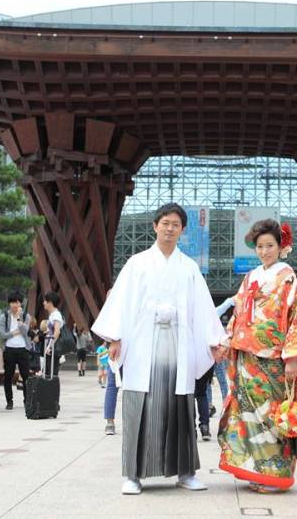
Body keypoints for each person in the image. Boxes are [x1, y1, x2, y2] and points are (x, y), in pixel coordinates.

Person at [92, 203, 225, 495]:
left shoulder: (189, 268)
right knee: (140, 404)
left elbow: (202, 308)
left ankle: (185, 472)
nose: (169, 228)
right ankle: (132, 474)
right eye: (165, 223)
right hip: (143, 342)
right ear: (155, 226)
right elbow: (122, 303)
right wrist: (114, 337)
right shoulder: (137, 264)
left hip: (178, 343)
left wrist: (214, 340)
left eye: (175, 224)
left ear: (182, 230)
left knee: (181, 406)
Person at [218, 218, 297, 493]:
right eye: (260, 246)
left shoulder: (286, 276)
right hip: (247, 356)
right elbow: (239, 313)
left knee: (271, 414)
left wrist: (292, 357)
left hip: (273, 358)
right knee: (250, 413)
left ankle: (276, 473)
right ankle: (260, 469)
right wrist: (227, 341)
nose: (264, 251)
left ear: (280, 246)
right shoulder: (251, 277)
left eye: (269, 246)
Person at [0, 291, 32, 410]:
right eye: (13, 302)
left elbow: (24, 331)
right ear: (9, 303)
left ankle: (27, 400)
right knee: (8, 376)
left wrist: (18, 318)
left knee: (26, 376)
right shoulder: (4, 316)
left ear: (21, 303)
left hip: (23, 349)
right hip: (9, 349)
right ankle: (9, 401)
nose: (15, 305)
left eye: (18, 302)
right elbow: (2, 335)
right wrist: (14, 333)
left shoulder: (26, 316)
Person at [42, 292, 64, 377]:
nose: (44, 303)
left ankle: (52, 390)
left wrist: (50, 346)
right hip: (51, 348)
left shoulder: (56, 315)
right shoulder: (53, 314)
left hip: (53, 349)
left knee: (52, 374)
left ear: (50, 303)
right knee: (49, 373)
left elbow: (57, 332)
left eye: (45, 301)